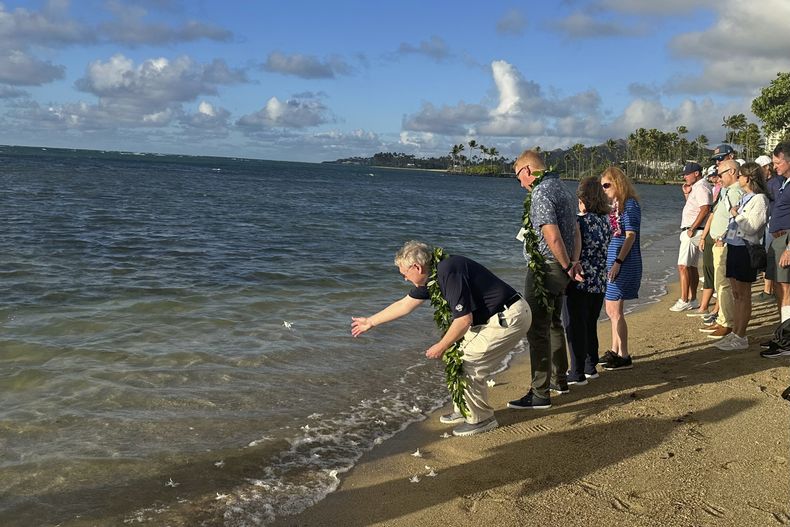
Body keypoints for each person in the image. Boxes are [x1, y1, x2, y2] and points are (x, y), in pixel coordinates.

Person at [350, 241, 531, 436]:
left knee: (466, 361)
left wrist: (441, 345)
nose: (404, 279)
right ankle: (465, 409)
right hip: (492, 318)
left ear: (417, 267)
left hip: (509, 316)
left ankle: (482, 419)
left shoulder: (448, 271)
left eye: (404, 273)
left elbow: (463, 320)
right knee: (455, 356)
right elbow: (405, 304)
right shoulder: (433, 274)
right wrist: (371, 321)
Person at [508, 150, 580, 410]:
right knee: (553, 323)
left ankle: (540, 393)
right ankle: (560, 379)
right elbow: (575, 230)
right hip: (561, 267)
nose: (520, 184)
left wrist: (565, 264)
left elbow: (552, 235)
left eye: (518, 177)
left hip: (546, 269)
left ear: (527, 170)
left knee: (536, 329)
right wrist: (574, 262)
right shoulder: (562, 188)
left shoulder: (541, 192)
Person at [715, 163, 769, 351]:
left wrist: (736, 214)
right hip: (734, 246)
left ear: (748, 178)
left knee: (744, 294)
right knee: (736, 293)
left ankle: (741, 335)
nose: (738, 178)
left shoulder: (759, 199)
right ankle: (735, 332)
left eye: (740, 176)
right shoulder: (747, 198)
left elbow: (752, 227)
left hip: (746, 249)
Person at [565, 176, 612, 383]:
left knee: (575, 325)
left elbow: (573, 248)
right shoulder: (605, 221)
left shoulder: (581, 222)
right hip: (599, 279)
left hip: (581, 278)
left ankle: (576, 372)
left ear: (584, 199)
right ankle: (590, 365)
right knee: (590, 323)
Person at [599, 167, 641, 370]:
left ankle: (624, 355)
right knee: (610, 308)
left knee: (615, 309)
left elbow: (630, 235)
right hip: (614, 261)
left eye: (606, 185)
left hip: (624, 262)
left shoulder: (629, 205)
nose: (604, 189)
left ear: (617, 184)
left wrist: (618, 262)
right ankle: (614, 350)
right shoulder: (615, 206)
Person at [698, 159, 743, 339]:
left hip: (724, 243)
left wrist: (723, 238)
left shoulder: (736, 192)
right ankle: (723, 319)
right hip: (719, 242)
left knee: (723, 285)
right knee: (720, 284)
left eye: (721, 174)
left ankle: (727, 323)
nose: (719, 178)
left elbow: (737, 218)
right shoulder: (727, 191)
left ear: (732, 172)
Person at [671, 162, 712, 312]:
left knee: (683, 266)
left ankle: (684, 300)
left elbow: (705, 208)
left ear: (696, 173)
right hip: (694, 230)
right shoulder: (698, 187)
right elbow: (696, 207)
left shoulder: (701, 186)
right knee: (692, 267)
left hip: (693, 231)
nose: (684, 177)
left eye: (687, 174)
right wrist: (687, 194)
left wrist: (692, 228)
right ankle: (693, 299)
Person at [690, 165, 721, 318]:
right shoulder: (718, 192)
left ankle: (716, 311)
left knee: (719, 276)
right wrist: (703, 237)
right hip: (709, 235)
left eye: (717, 175)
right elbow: (711, 215)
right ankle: (704, 307)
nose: (714, 178)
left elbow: (706, 210)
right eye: (714, 176)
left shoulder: (727, 193)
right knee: (709, 271)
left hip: (719, 238)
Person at [766, 142, 790, 324]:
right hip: (778, 239)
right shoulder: (784, 183)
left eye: (777, 163)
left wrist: (789, 248)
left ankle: (786, 337)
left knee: (785, 288)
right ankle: (782, 331)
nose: (774, 167)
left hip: (786, 240)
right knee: (778, 287)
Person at [757, 154, 777, 302]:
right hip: (768, 223)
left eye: (760, 169)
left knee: (770, 255)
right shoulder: (768, 182)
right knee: (767, 254)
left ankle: (769, 290)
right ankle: (768, 289)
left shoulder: (775, 182)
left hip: (773, 223)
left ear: (767, 168)